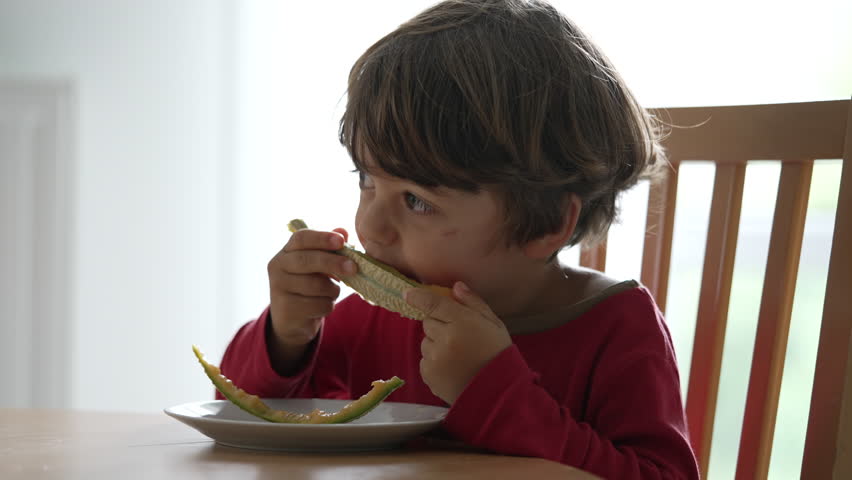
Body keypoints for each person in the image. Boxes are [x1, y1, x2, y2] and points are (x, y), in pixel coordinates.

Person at [219, 0, 699, 477]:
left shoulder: (618, 328)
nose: (371, 228)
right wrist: (287, 337)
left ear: (549, 221)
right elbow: (241, 414)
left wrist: (489, 389)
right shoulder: (374, 319)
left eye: (417, 201)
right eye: (366, 179)